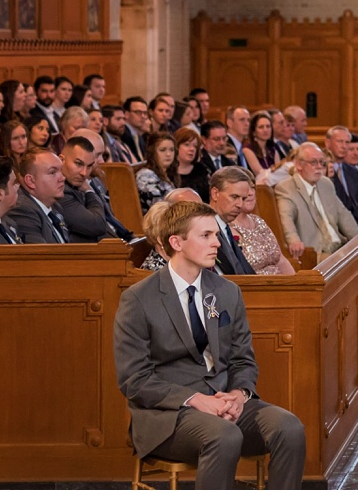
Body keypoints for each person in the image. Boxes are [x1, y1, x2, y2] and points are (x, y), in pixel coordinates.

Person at [113, 199, 306, 488]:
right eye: (206, 236)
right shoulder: (139, 299)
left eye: (216, 234)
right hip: (169, 415)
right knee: (223, 435)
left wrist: (239, 394)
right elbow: (134, 380)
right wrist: (195, 400)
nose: (217, 243)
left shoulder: (227, 291)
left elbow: (243, 360)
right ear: (176, 242)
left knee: (289, 428)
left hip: (224, 404)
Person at [273, 142, 358, 260]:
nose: (319, 166)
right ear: (299, 165)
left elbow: (343, 215)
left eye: (322, 162)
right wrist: (294, 241)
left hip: (339, 246)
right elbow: (286, 218)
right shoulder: (286, 187)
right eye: (313, 162)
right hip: (316, 252)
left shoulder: (326, 183)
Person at [56, 135, 133, 241]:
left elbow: (108, 220)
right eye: (78, 164)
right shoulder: (59, 190)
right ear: (61, 159)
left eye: (89, 166)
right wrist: (89, 191)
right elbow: (98, 225)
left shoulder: (83, 183)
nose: (84, 173)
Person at [230, 172, 295, 277]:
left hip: (282, 285)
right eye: (245, 189)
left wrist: (297, 286)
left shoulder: (258, 221)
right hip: (258, 289)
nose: (250, 193)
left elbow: (281, 260)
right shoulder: (226, 229)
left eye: (252, 188)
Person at [7, 149, 74, 243]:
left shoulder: (54, 204)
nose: (62, 178)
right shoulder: (23, 210)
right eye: (52, 172)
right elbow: (41, 255)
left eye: (61, 171)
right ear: (30, 181)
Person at [206, 167, 259, 275]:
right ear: (215, 193)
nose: (240, 205)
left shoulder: (224, 227)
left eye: (243, 199)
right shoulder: (205, 230)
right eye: (234, 197)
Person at [137, 133, 178, 212]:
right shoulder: (146, 176)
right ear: (152, 152)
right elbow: (159, 207)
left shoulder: (169, 174)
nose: (168, 154)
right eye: (163, 150)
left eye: (171, 150)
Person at [171, 128, 212, 201]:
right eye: (187, 145)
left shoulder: (202, 170)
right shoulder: (167, 171)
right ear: (176, 146)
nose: (192, 149)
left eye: (195, 146)